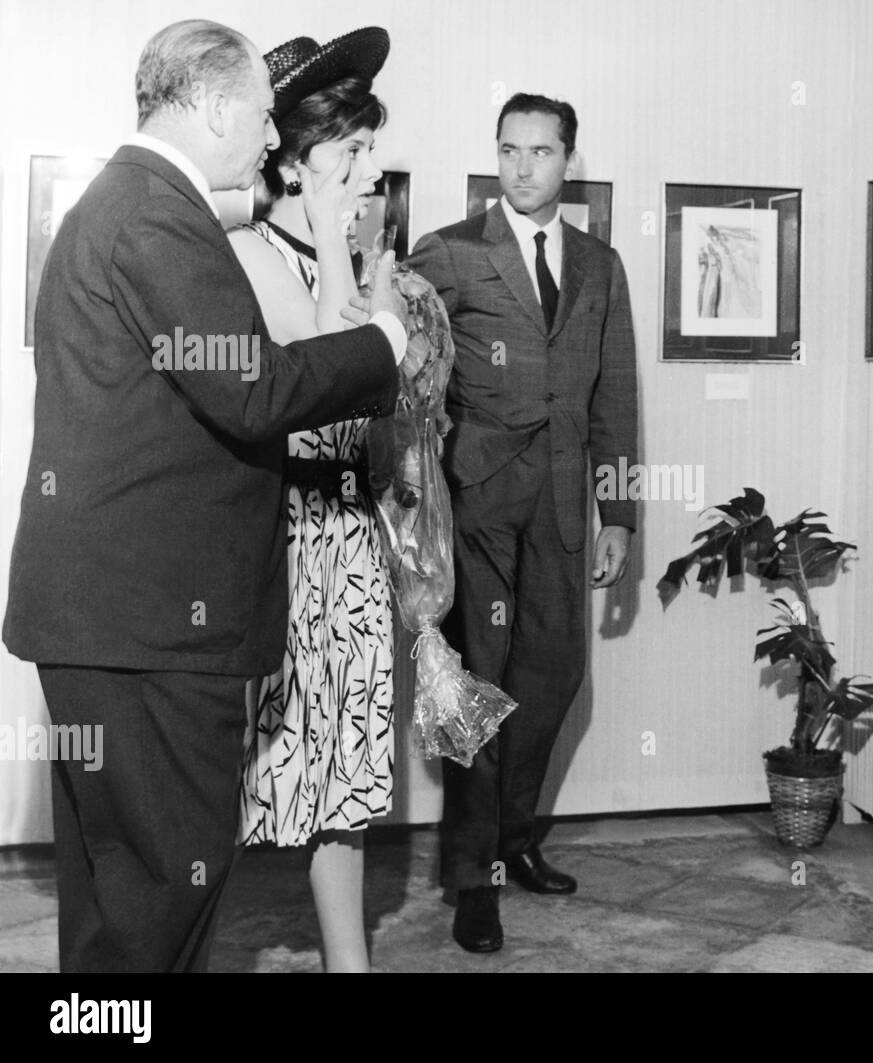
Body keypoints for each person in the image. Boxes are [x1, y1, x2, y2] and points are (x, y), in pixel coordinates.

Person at [1, 19, 411, 973]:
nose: (273, 142)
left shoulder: (132, 202)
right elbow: (256, 390)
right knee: (162, 894)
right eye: (265, 118)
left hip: (105, 625)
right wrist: (383, 340)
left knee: (113, 898)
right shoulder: (155, 215)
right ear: (217, 106)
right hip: (148, 634)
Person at [406, 93, 639, 953]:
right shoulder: (453, 252)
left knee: (554, 678)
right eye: (510, 150)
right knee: (476, 695)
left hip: (563, 508)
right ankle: (473, 881)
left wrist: (621, 513)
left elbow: (614, 394)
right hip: (476, 507)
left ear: (567, 159)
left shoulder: (599, 265)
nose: (524, 167)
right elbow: (406, 367)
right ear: (495, 155)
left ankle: (509, 840)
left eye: (541, 152)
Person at [225, 28, 402, 974]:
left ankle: (350, 966)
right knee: (252, 762)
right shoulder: (247, 258)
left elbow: (379, 405)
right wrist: (342, 247)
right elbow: (333, 368)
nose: (371, 170)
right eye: (353, 150)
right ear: (295, 163)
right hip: (281, 541)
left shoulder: (365, 249)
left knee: (349, 771)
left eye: (372, 149)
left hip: (353, 540)